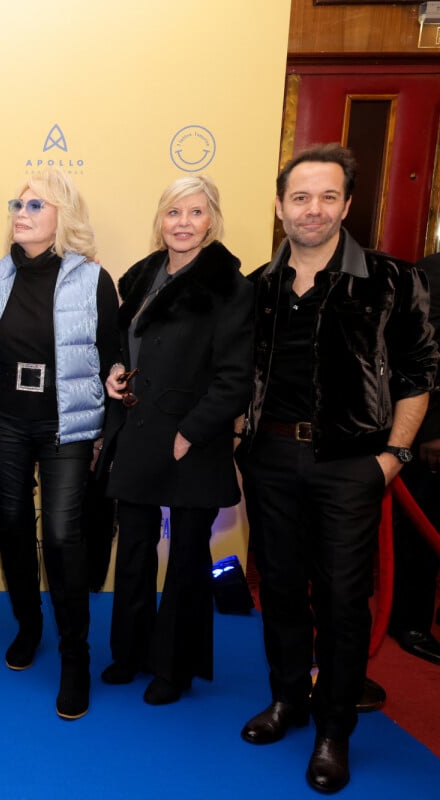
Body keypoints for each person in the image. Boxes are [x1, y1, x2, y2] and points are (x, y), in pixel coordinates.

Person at [236, 144, 437, 794]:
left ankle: (333, 729)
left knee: (345, 602)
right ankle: (288, 701)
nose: (312, 209)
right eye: (300, 197)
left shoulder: (391, 280)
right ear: (279, 206)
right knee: (281, 591)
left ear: (347, 205)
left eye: (327, 197)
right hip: (269, 461)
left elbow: (420, 373)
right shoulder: (257, 288)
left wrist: (393, 457)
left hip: (352, 466)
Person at [0, 169, 119, 719]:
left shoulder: (93, 280)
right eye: (17, 203)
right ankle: (29, 626)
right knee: (9, 522)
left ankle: (74, 655)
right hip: (6, 419)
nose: (21, 212)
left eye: (36, 205)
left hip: (66, 424)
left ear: (64, 217)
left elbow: (114, 356)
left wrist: (109, 425)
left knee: (60, 535)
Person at [99, 175, 253, 707]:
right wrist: (116, 369)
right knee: (136, 550)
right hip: (139, 433)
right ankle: (130, 653)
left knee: (187, 558)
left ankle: (174, 668)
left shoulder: (230, 287)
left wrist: (193, 431)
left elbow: (236, 377)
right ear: (160, 221)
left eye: (194, 213)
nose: (182, 223)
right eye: (173, 213)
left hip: (195, 439)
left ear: (211, 220)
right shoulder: (142, 278)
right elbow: (124, 342)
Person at [388, 250, 440, 665]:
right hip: (430, 434)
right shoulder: (431, 272)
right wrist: (434, 429)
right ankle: (410, 621)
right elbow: (420, 357)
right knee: (421, 529)